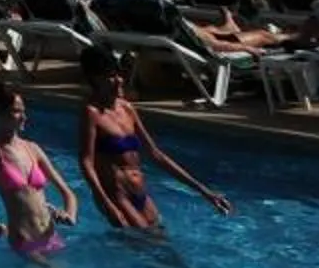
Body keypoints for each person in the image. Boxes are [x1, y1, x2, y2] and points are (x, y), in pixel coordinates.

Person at [76, 48, 230, 229]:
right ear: (95, 79)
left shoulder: (127, 108)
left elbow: (155, 153)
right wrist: (105, 202)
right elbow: (86, 161)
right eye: (111, 76)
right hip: (118, 196)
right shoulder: (91, 113)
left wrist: (205, 192)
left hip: (140, 192)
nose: (119, 80)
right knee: (148, 247)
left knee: (161, 242)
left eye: (118, 74)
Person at [0, 81, 78, 260]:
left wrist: (69, 214)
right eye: (17, 111)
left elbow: (67, 192)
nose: (24, 117)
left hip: (51, 236)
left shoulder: (33, 148)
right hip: (24, 240)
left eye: (24, 111)